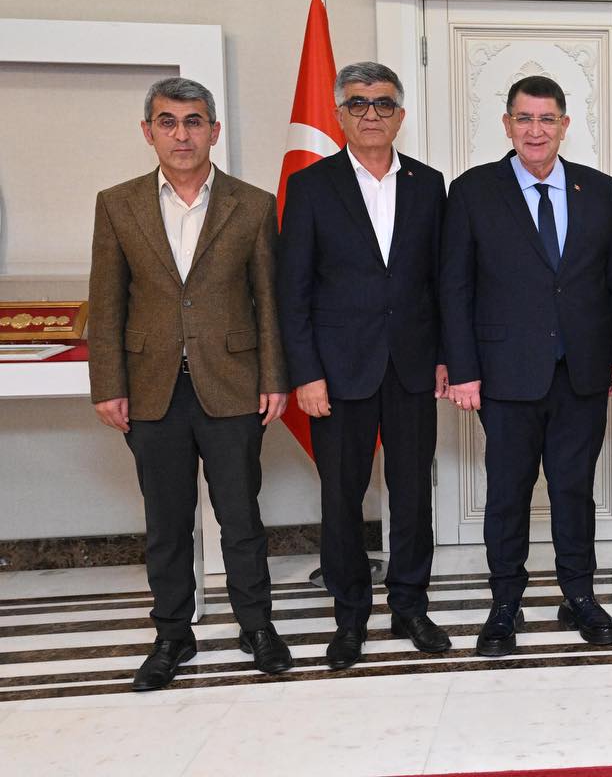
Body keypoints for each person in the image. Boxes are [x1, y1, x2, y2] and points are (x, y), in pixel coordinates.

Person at [89, 76, 293, 691]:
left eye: (194, 121)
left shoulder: (252, 204)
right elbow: (106, 302)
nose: (182, 134)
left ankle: (257, 626)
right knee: (167, 522)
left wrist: (274, 376)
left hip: (232, 383)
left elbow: (268, 299)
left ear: (214, 131)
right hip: (151, 387)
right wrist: (107, 384)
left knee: (241, 517)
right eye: (168, 122)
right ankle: (173, 634)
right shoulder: (117, 203)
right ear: (148, 131)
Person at [441, 75, 612, 656]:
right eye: (524, 118)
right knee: (508, 493)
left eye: (546, 119)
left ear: (564, 126)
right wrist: (463, 368)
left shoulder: (598, 189)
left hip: (582, 371)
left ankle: (579, 595)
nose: (535, 130)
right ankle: (505, 602)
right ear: (507, 124)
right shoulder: (473, 191)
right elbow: (455, 286)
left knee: (575, 490)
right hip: (504, 374)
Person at [277, 61, 451, 669]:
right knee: (342, 498)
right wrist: (305, 373)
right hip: (337, 371)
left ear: (400, 116)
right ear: (339, 114)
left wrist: (445, 358)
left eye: (382, 104)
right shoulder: (311, 186)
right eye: (357, 103)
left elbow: (443, 283)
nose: (370, 114)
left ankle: (410, 606)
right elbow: (293, 290)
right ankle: (349, 616)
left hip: (412, 367)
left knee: (413, 495)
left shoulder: (430, 185)